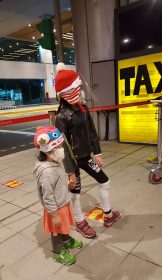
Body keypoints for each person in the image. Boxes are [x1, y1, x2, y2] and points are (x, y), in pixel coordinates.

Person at [54, 63, 121, 239]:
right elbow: (63, 147)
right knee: (75, 193)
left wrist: (97, 153)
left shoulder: (82, 109)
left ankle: (108, 215)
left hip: (85, 157)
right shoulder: (61, 117)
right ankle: (79, 221)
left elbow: (92, 132)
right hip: (73, 161)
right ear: (67, 91)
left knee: (104, 181)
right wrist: (70, 172)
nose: (80, 91)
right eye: (77, 88)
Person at [33, 125, 83, 265]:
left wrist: (65, 185)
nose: (61, 150)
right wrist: (54, 215)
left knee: (64, 225)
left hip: (62, 202)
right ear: (47, 150)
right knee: (56, 230)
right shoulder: (47, 172)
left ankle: (66, 241)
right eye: (58, 147)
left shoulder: (55, 162)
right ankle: (58, 252)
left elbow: (55, 185)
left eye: (61, 146)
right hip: (55, 208)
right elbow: (47, 196)